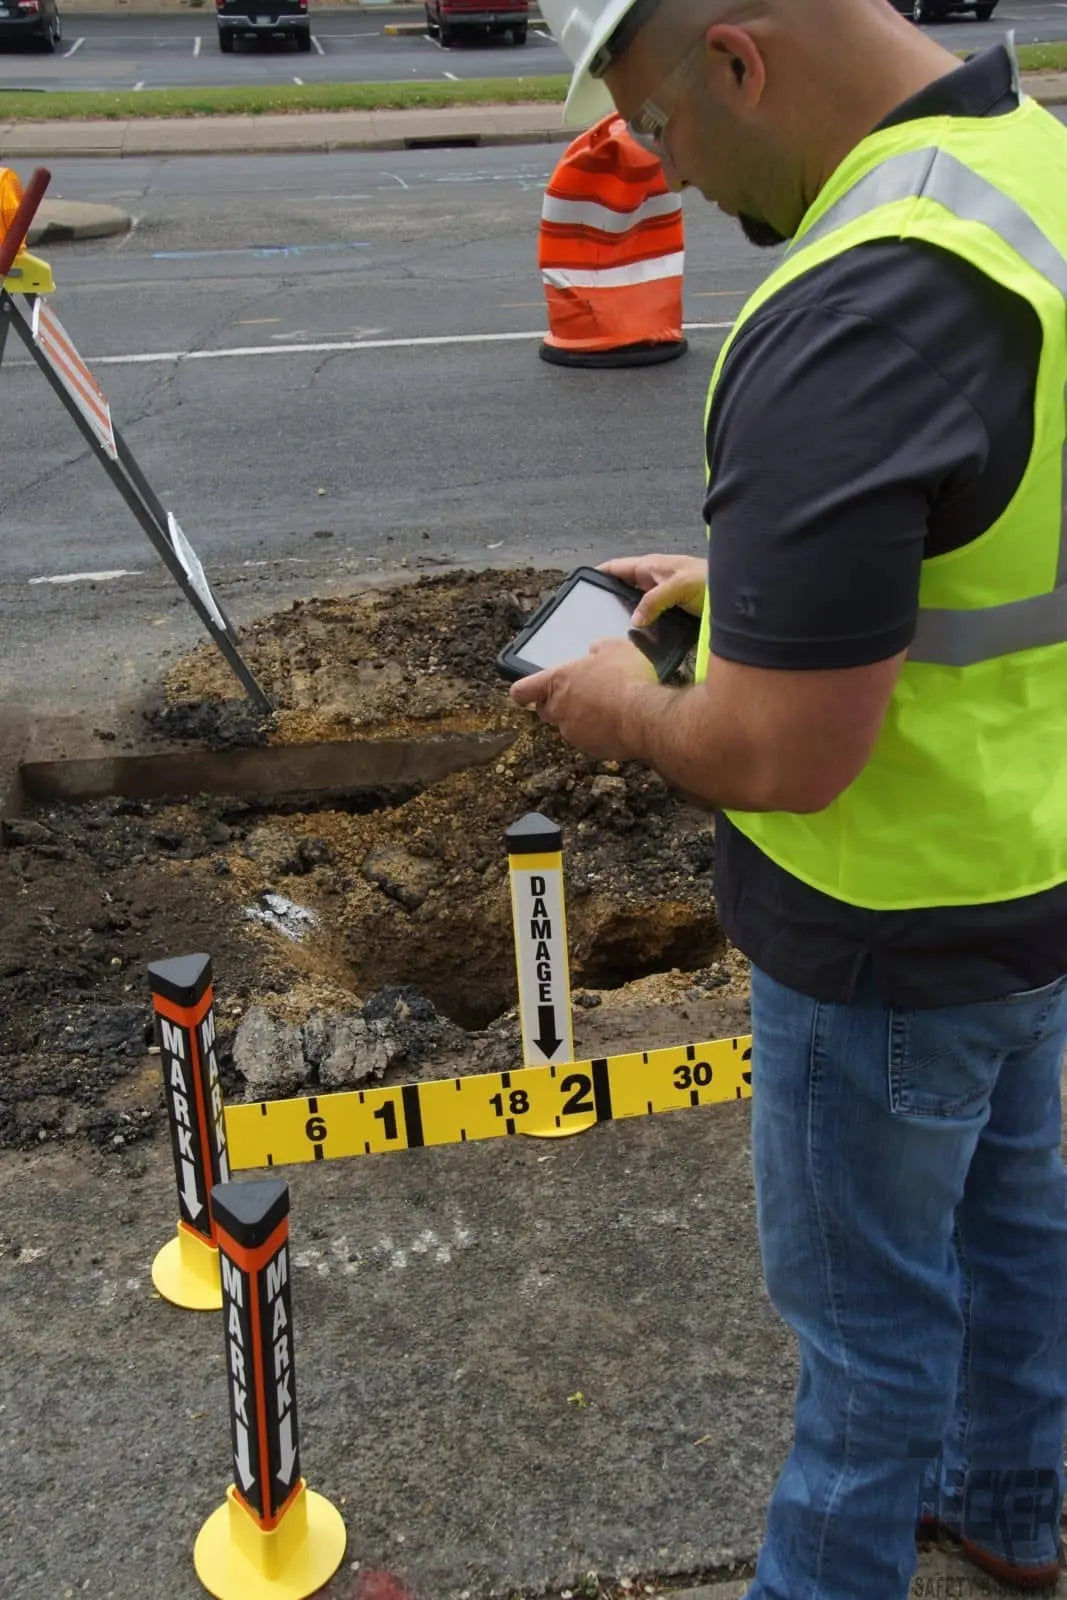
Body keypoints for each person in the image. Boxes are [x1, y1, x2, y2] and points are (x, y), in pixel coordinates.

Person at [513, 0, 1067, 1595]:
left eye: (658, 131)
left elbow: (784, 751)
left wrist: (625, 705)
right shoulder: (1028, 168)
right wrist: (763, 584)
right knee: (1017, 1226)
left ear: (739, 60)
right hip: (1028, 875)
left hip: (883, 923)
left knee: (867, 1340)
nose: (666, 178)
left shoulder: (860, 306)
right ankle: (1014, 1517)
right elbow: (989, 516)